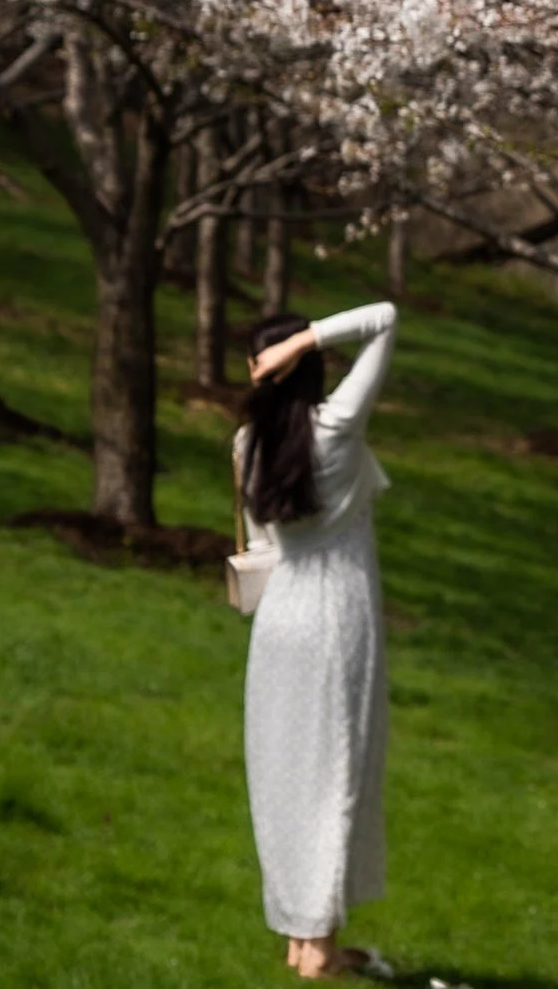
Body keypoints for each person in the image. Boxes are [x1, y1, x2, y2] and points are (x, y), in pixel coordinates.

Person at [238, 301, 399, 980]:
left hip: (279, 619)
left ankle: (299, 937)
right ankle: (321, 952)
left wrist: (284, 354)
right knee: (335, 773)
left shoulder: (247, 443)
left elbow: (266, 541)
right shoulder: (335, 427)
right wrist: (304, 338)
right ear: (310, 365)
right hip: (338, 612)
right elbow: (387, 318)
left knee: (284, 776)